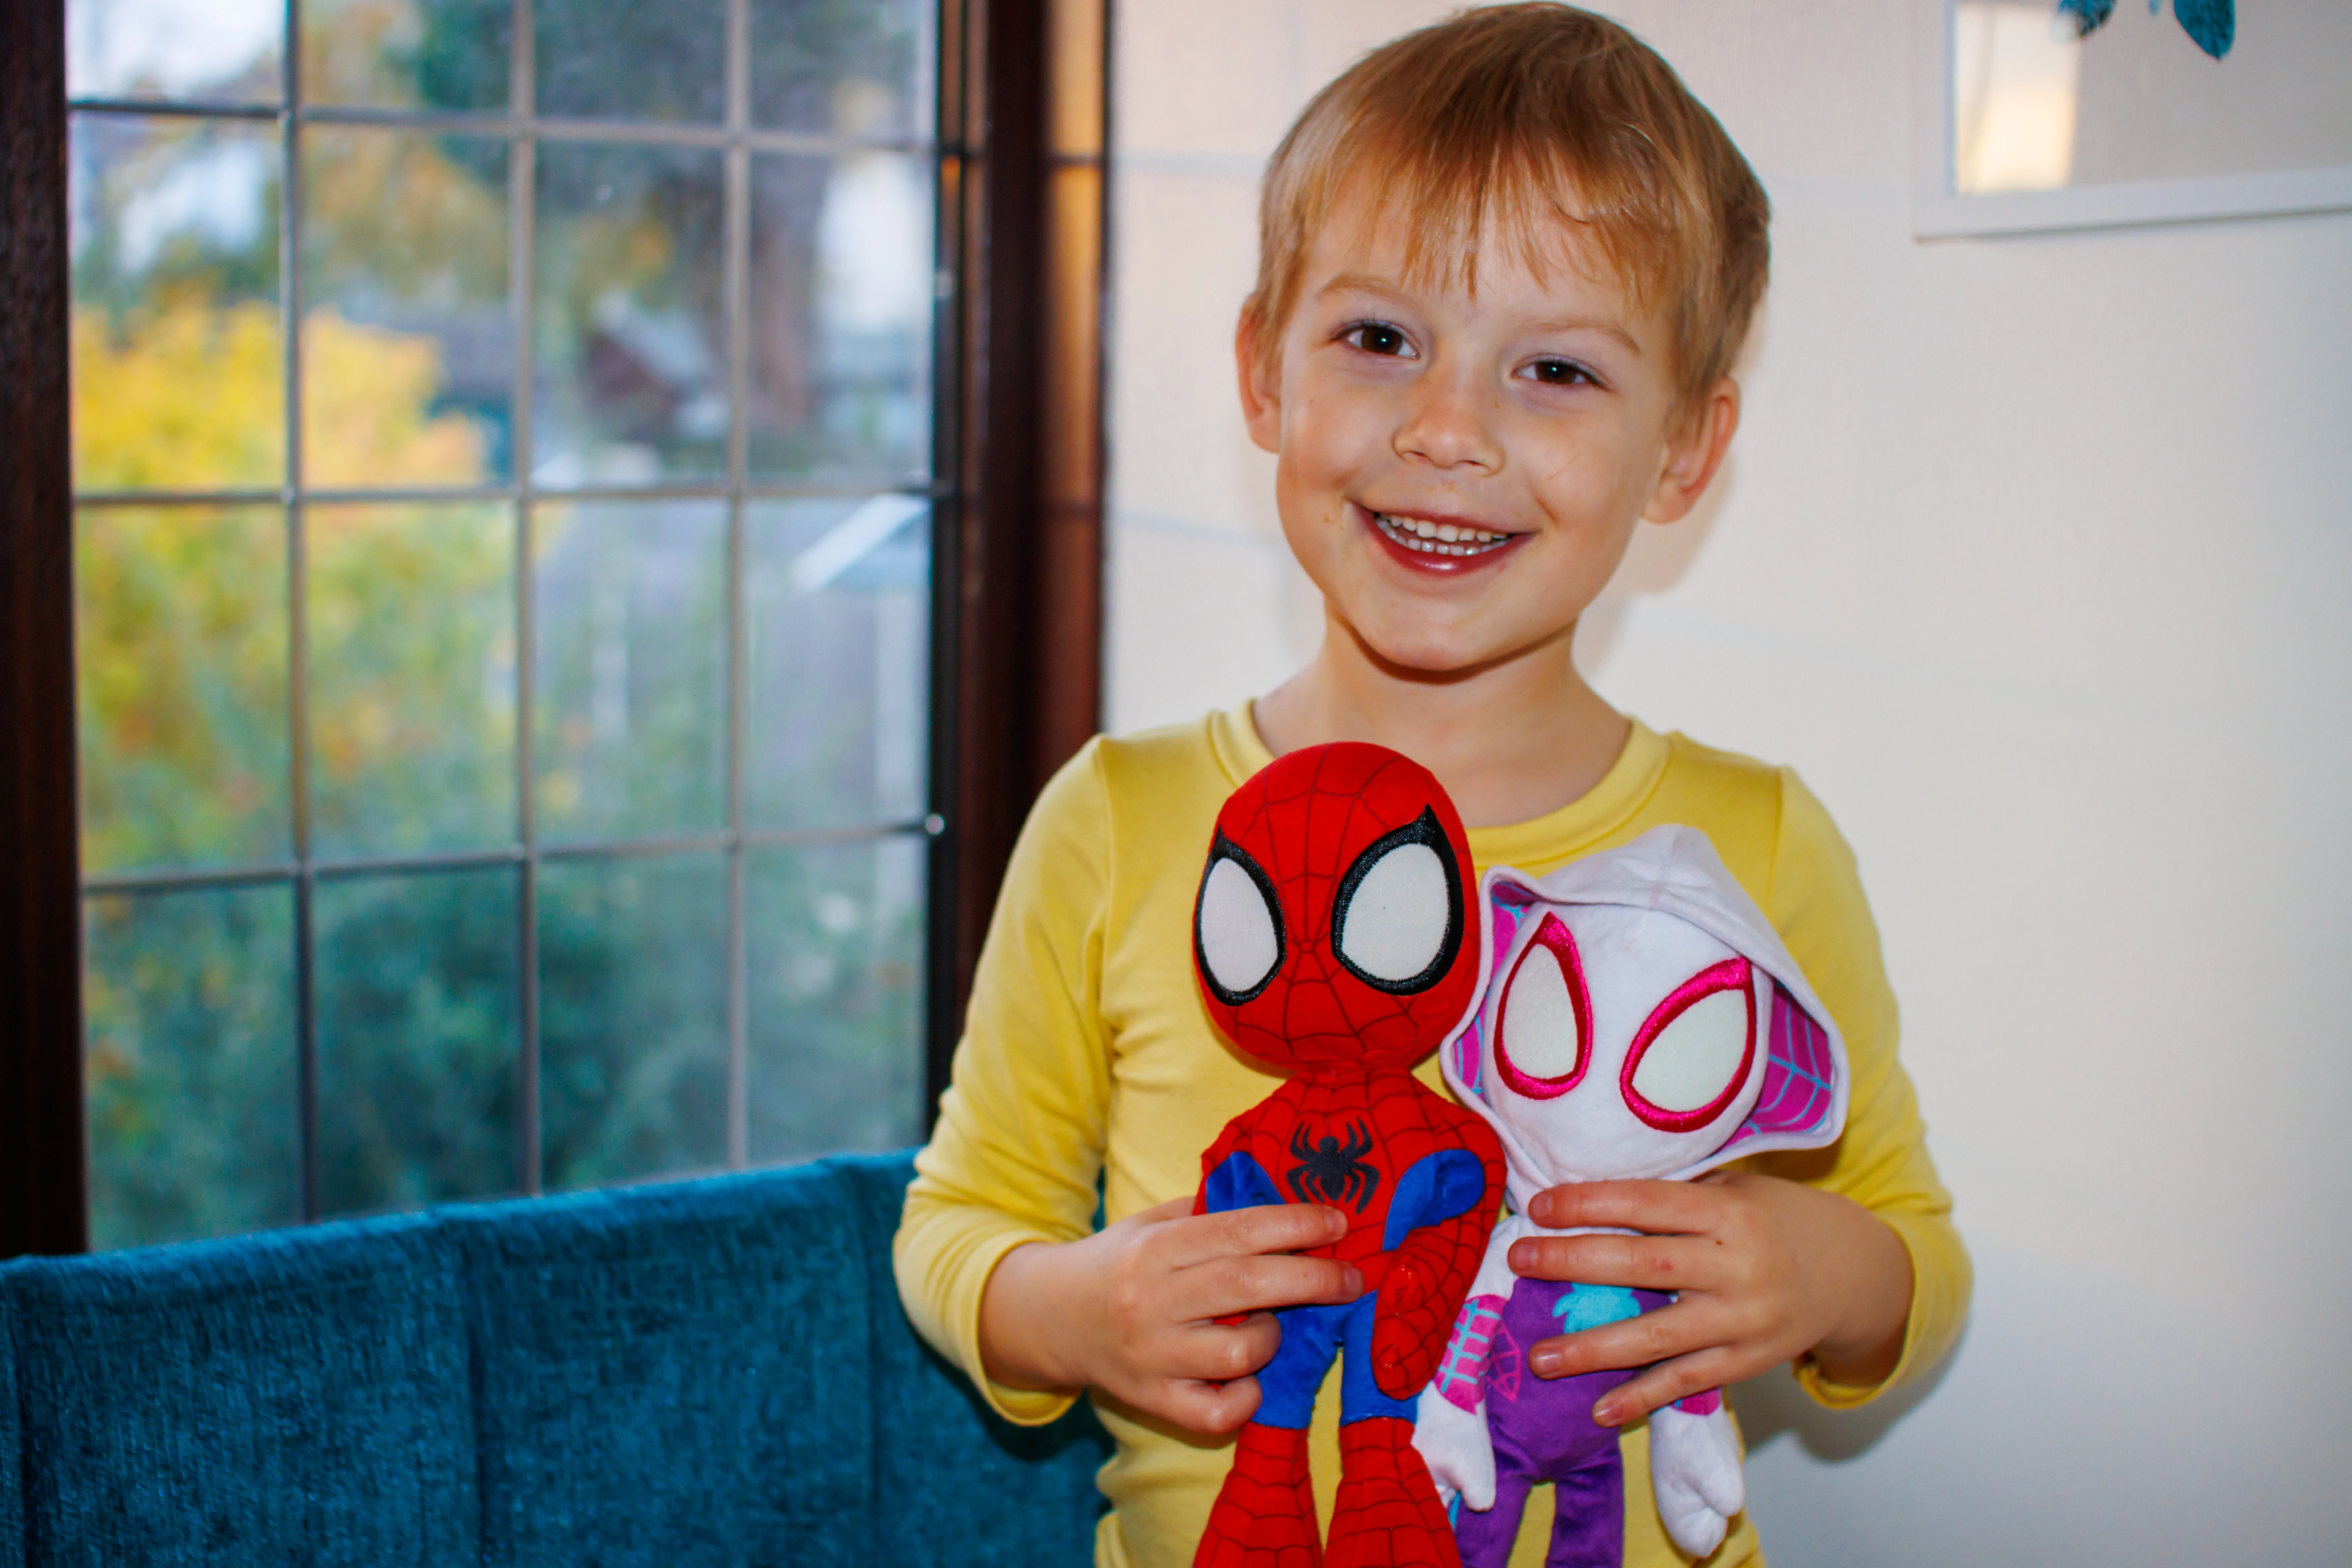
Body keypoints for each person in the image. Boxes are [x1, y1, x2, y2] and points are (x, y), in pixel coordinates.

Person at [894, 7, 1970, 1566]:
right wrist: (1077, 1303)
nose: (1449, 430)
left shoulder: (1756, 840)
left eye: (1555, 368)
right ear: (1265, 370)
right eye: (1380, 339)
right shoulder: (1115, 820)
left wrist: (1816, 1270)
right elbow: (955, 1216)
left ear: (1684, 451)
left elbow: (1913, 1251)